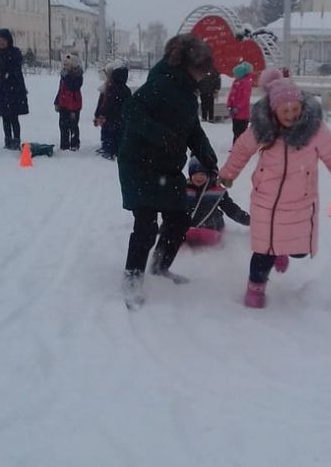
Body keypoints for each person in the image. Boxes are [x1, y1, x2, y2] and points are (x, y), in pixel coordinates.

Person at [219, 67, 331, 309]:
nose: (291, 114)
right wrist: (229, 173)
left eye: (295, 109)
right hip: (266, 201)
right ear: (274, 110)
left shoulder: (314, 131)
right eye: (285, 110)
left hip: (300, 201)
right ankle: (255, 289)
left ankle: (282, 251)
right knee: (263, 251)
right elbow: (242, 149)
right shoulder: (263, 130)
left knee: (298, 251)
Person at [117, 35, 218, 307]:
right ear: (187, 65)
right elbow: (130, 111)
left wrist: (207, 156)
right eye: (201, 69)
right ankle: (132, 278)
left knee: (178, 219)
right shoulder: (162, 83)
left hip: (166, 165)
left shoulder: (186, 92)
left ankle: (160, 266)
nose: (203, 76)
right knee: (146, 224)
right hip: (139, 163)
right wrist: (160, 135)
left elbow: (192, 129)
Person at [185, 157, 249, 245]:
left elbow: (230, 208)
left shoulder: (217, 191)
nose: (198, 178)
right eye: (195, 174)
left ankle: (205, 236)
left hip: (210, 227)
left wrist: (248, 220)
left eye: (202, 174)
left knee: (211, 221)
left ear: (208, 174)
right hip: (188, 226)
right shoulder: (184, 189)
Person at [0, 28, 28, 149]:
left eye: (3, 40)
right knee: (5, 117)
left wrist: (3, 73)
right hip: (2, 89)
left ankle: (16, 140)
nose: (1, 42)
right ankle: (7, 140)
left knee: (14, 117)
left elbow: (14, 68)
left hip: (14, 89)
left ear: (8, 40)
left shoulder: (15, 53)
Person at [96, 61, 131, 160]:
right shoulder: (126, 89)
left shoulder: (112, 89)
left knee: (108, 135)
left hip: (110, 118)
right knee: (119, 135)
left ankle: (108, 151)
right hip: (122, 118)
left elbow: (107, 104)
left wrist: (102, 114)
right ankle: (117, 150)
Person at [53, 52, 84, 151]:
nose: (65, 67)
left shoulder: (78, 76)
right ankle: (64, 144)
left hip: (73, 106)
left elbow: (73, 87)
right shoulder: (64, 75)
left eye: (67, 65)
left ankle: (74, 144)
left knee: (73, 125)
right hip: (63, 104)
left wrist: (66, 77)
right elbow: (61, 89)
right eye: (64, 65)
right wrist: (57, 101)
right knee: (63, 125)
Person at [226, 60, 254, 142]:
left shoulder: (245, 83)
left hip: (242, 112)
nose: (234, 76)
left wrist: (238, 107)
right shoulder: (236, 82)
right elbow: (231, 95)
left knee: (240, 130)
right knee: (235, 129)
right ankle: (236, 145)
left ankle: (239, 146)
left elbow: (245, 98)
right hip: (235, 111)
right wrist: (229, 105)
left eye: (236, 74)